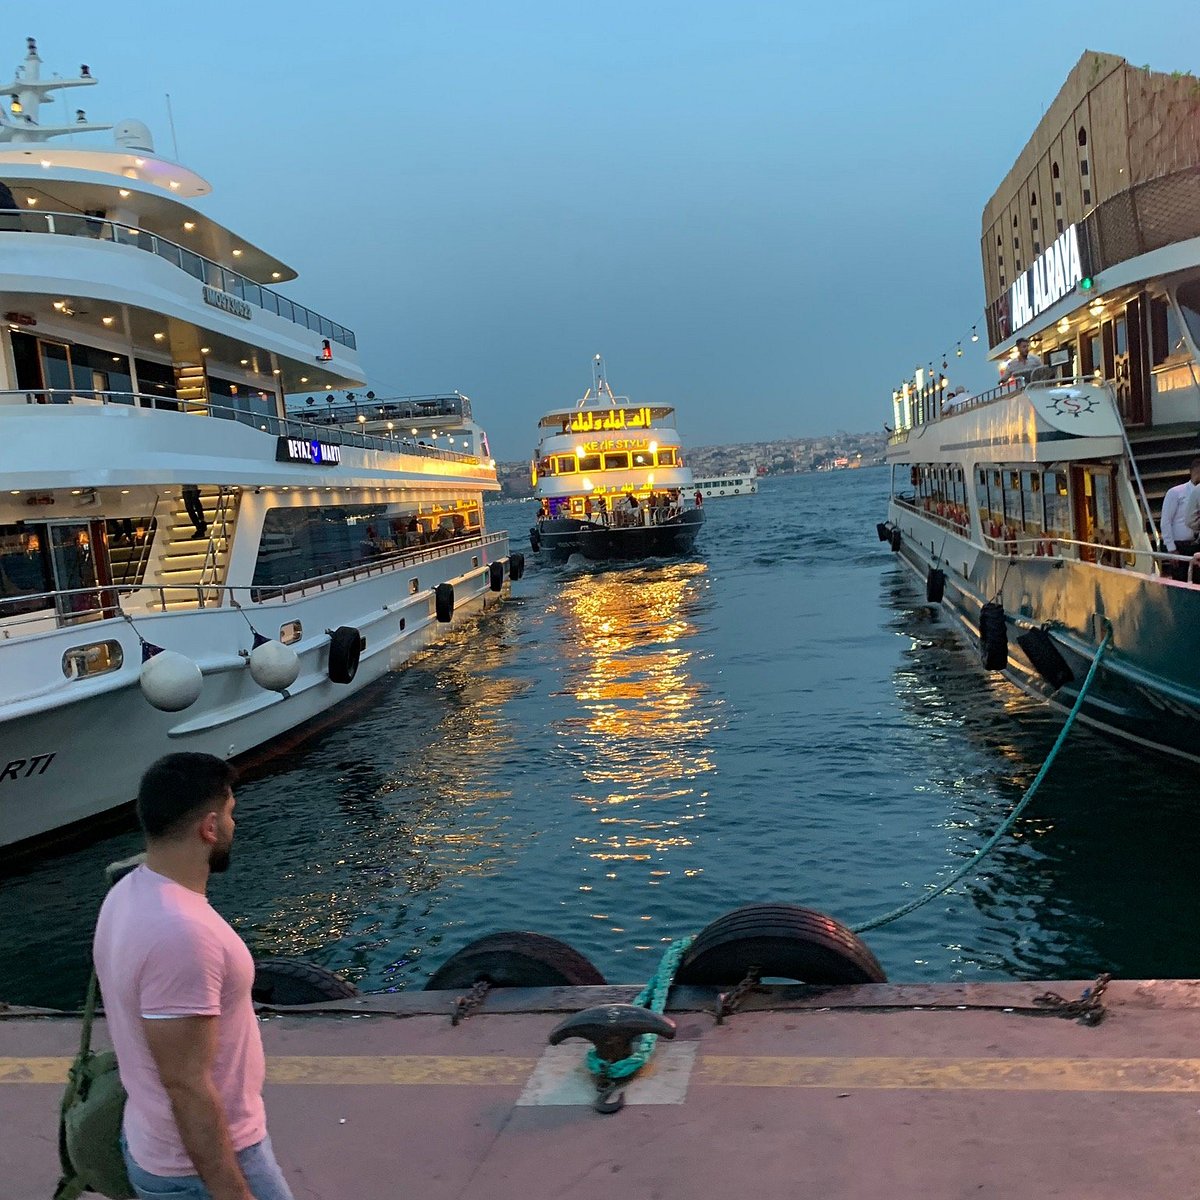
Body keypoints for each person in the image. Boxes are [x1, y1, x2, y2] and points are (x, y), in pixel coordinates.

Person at [93, 753, 294, 1200]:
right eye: (230, 814)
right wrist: (232, 1191)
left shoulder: (126, 892)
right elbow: (186, 1084)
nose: (233, 826)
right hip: (202, 1168)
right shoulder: (182, 934)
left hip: (154, 1143)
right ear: (209, 827)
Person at [1160, 458, 1200, 578]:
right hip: (1181, 545)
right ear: (1193, 472)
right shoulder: (1175, 493)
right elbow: (1166, 521)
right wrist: (1171, 548)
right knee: (1181, 580)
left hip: (1197, 545)